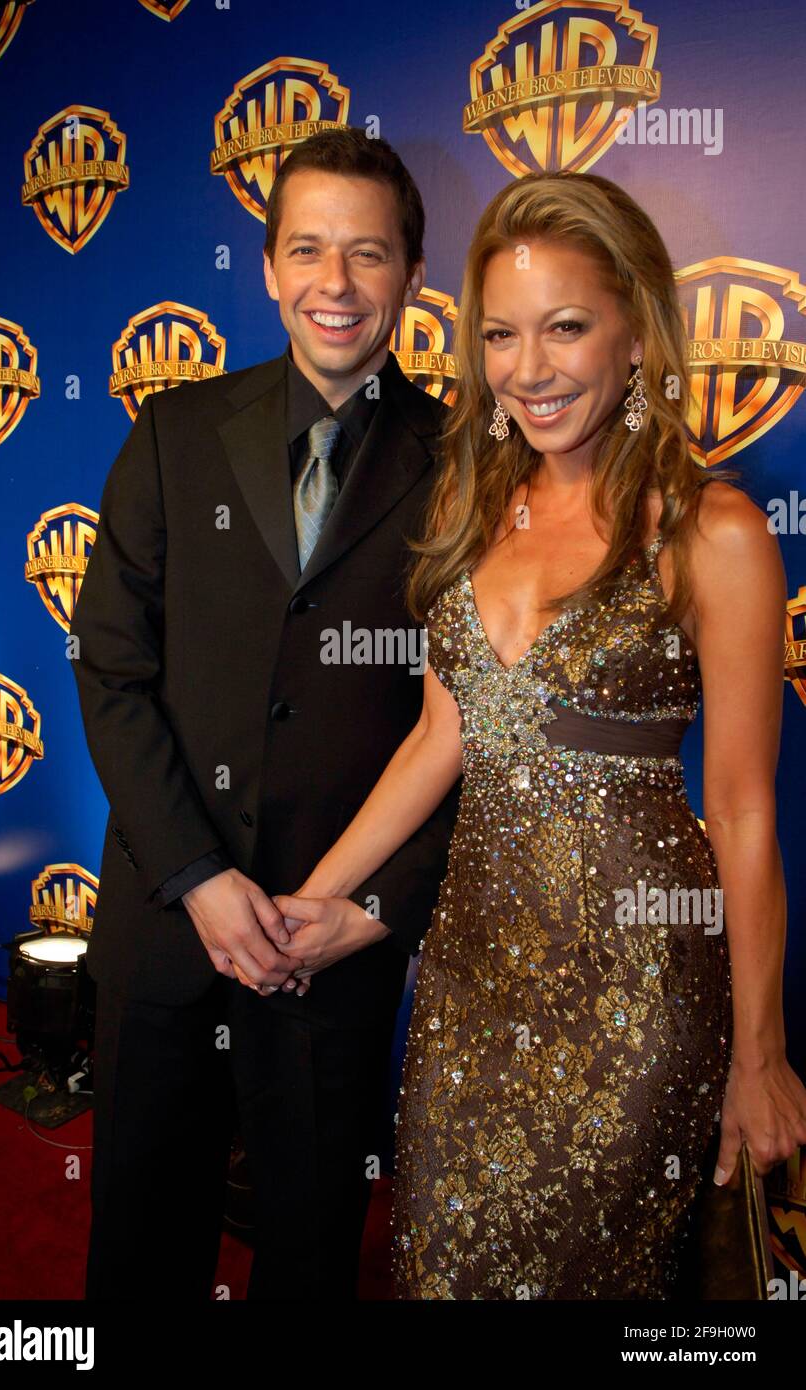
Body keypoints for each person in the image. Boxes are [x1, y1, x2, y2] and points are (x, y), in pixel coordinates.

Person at [275, 171, 806, 1299]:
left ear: (634, 332)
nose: (530, 368)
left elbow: (744, 809)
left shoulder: (711, 532)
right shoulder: (473, 505)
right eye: (502, 335)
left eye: (566, 326)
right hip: (468, 990)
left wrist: (756, 1054)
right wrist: (317, 900)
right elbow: (438, 738)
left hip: (637, 999)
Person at [69, 127, 458, 1301]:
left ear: (410, 275)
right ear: (269, 265)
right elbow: (109, 667)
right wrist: (196, 873)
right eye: (307, 250)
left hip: (328, 951)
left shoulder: (467, 466)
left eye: (367, 254)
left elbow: (473, 729)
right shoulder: (175, 433)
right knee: (138, 1245)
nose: (334, 285)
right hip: (163, 930)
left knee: (308, 1252)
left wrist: (364, 908)